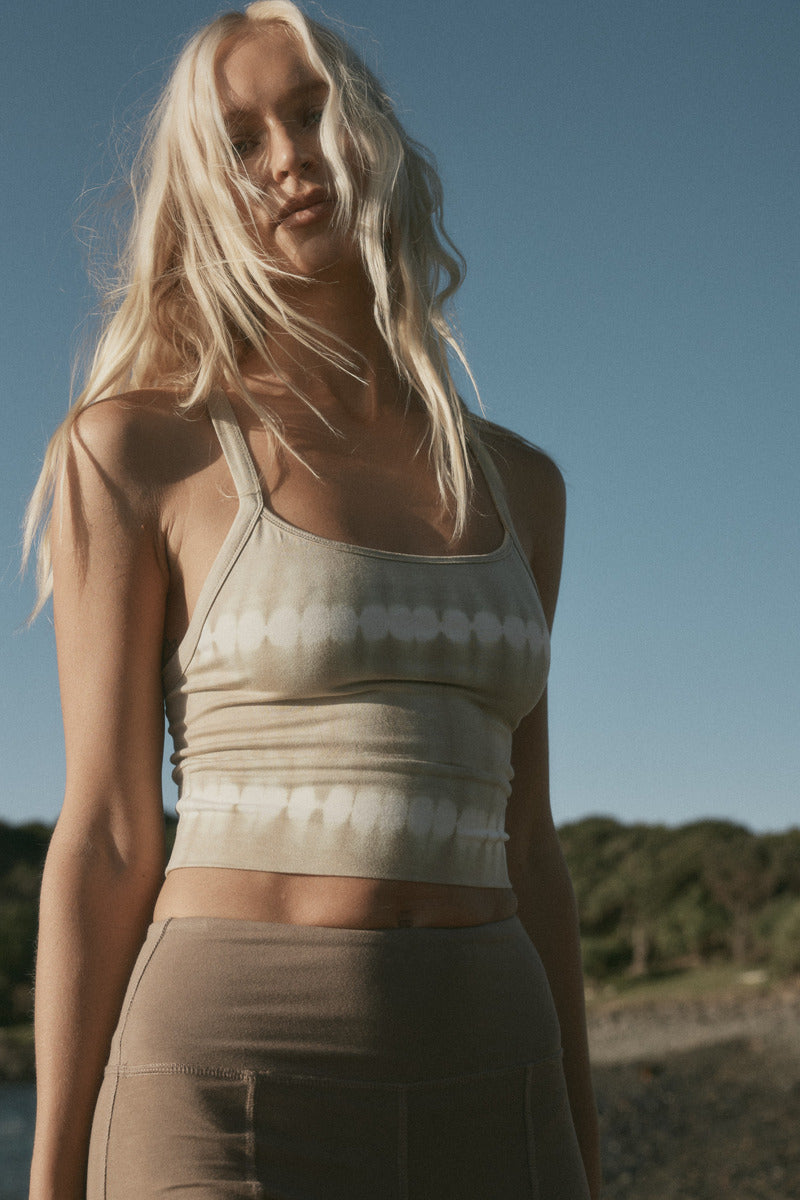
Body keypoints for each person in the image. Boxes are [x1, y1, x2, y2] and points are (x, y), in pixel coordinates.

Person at [25, 3, 600, 1197]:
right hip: (231, 1074)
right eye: (239, 140)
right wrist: (52, 1173)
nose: (289, 156)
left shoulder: (524, 487)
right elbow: (110, 835)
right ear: (199, 196)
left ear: (370, 136)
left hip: (497, 1060)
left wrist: (583, 1141)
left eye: (310, 111)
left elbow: (530, 847)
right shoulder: (140, 451)